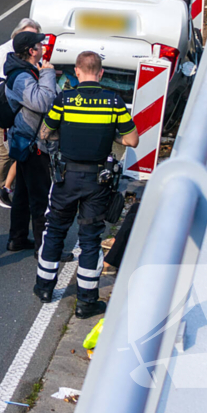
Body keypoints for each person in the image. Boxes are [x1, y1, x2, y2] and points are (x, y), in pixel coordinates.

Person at [34, 51, 139, 319]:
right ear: (101, 73)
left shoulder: (65, 99)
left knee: (55, 230)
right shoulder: (114, 101)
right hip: (98, 181)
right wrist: (110, 133)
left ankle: (45, 288)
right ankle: (86, 301)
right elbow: (132, 140)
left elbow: (45, 132)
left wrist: (67, 133)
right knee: (91, 239)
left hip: (66, 178)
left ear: (78, 72)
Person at [3, 31, 57, 254]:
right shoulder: (22, 76)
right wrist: (48, 74)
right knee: (40, 197)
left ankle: (17, 239)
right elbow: (43, 102)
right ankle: (43, 247)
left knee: (23, 195)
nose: (44, 47)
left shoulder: (23, 72)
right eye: (40, 44)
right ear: (32, 51)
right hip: (33, 144)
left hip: (25, 140)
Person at [0, 18, 42, 209]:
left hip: (16, 110)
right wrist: (12, 84)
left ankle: (8, 186)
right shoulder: (3, 51)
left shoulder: (26, 54)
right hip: (1, 109)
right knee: (4, 151)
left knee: (13, 150)